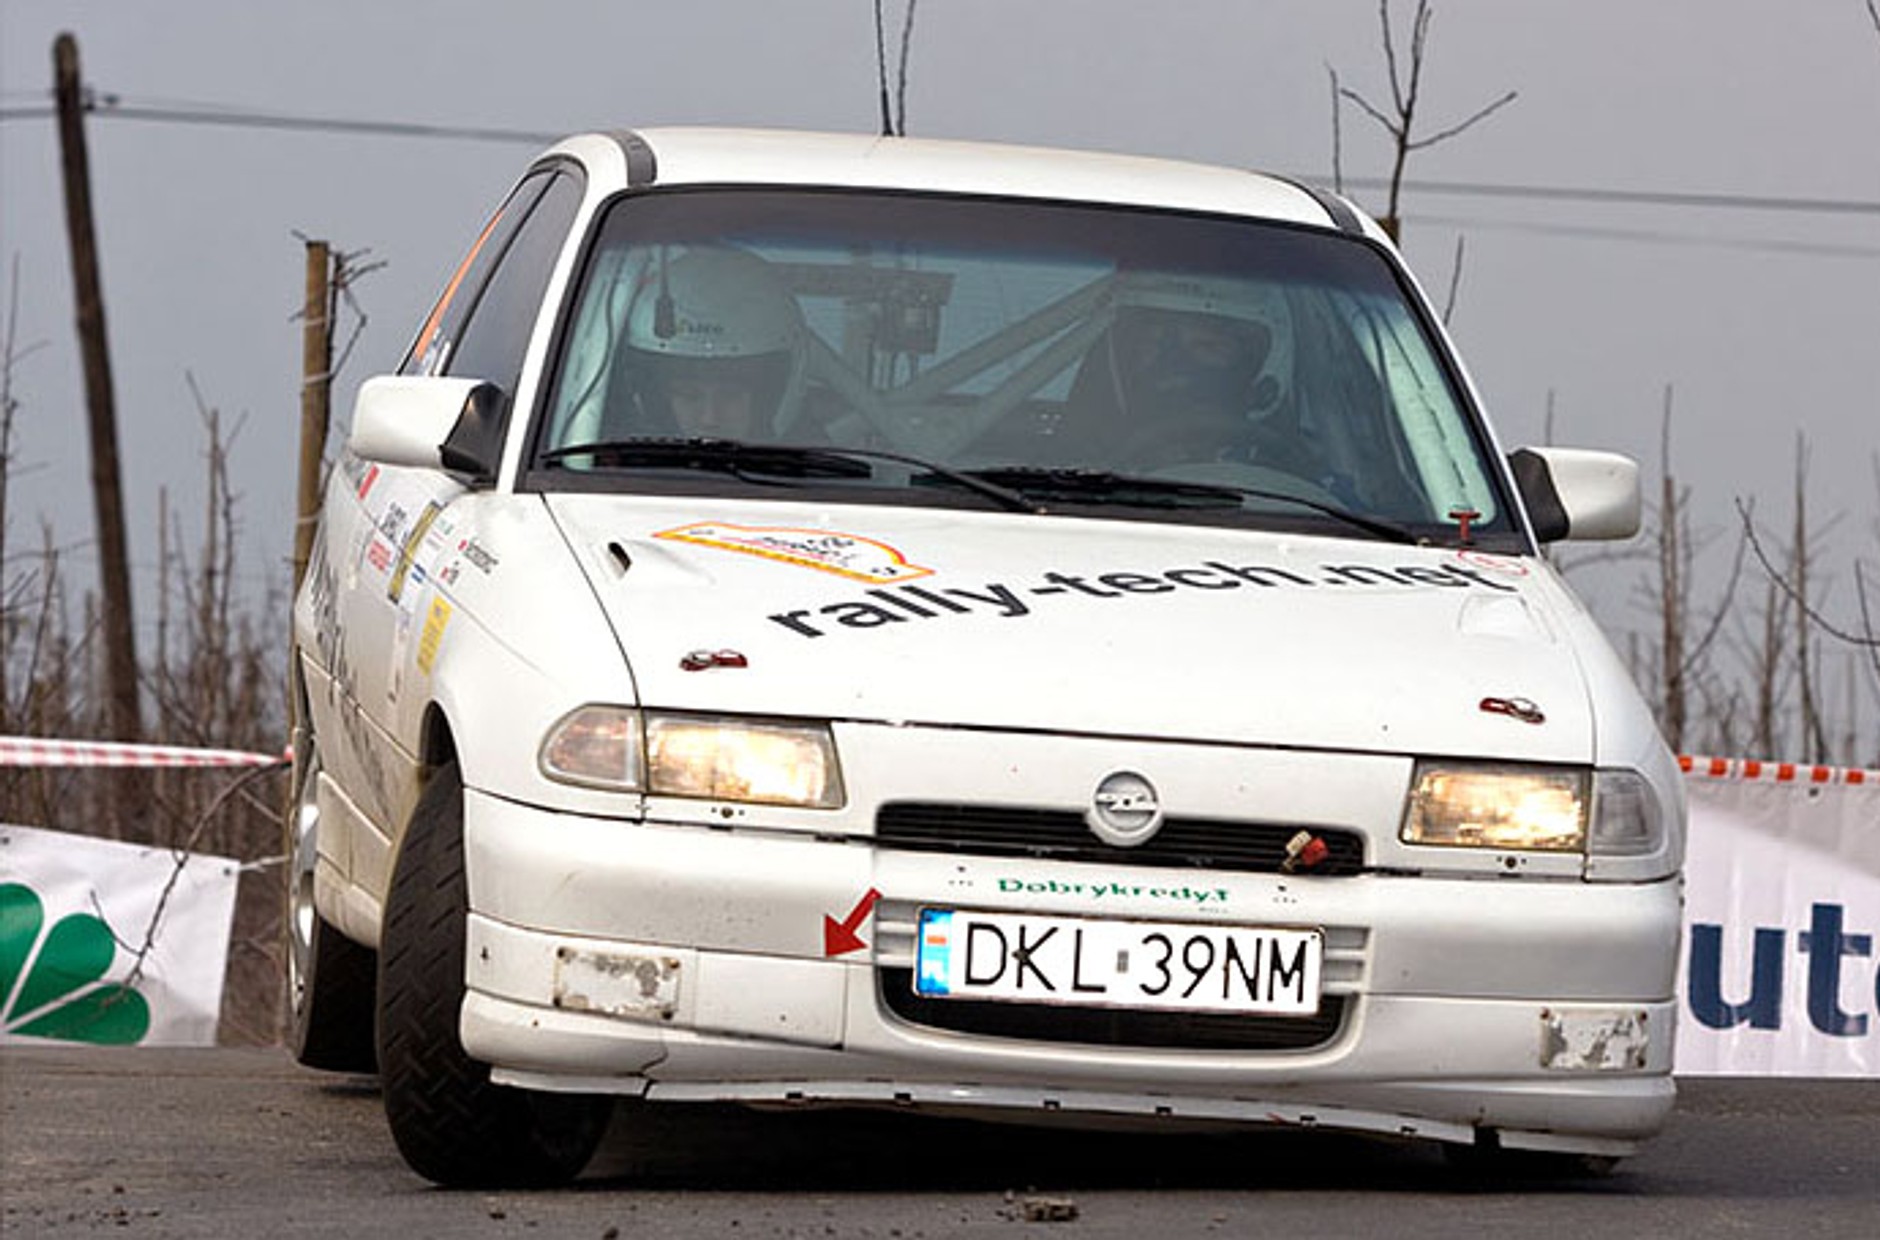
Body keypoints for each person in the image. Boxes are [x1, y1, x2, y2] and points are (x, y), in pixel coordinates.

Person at [1091, 271, 1293, 472]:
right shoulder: (1085, 470)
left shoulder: (1293, 477)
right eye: (1151, 344)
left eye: (1208, 346)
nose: (1173, 366)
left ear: (1258, 369)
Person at [618, 245, 807, 439]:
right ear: (658, 398)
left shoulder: (816, 453)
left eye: (730, 395)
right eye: (690, 396)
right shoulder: (617, 453)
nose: (710, 419)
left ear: (768, 397)